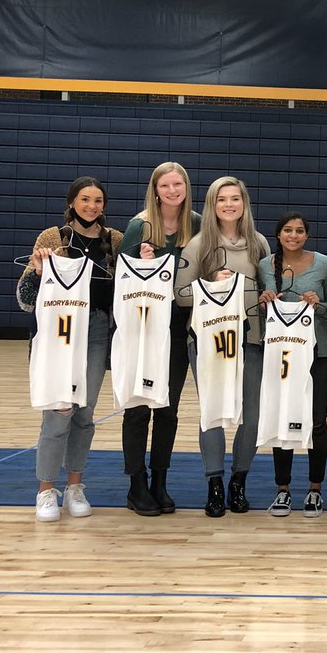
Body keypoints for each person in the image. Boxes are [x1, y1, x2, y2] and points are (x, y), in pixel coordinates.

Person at [16, 176, 122, 522]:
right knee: (58, 411)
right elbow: (25, 299)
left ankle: (75, 486)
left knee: (84, 412)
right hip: (59, 334)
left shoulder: (115, 241)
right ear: (72, 202)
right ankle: (46, 490)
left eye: (98, 200)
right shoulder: (52, 238)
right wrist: (35, 270)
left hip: (96, 330)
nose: (92, 206)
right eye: (85, 199)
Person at [174, 176, 270, 517]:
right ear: (212, 205)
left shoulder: (258, 244)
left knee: (253, 415)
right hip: (208, 341)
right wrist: (210, 284)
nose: (229, 205)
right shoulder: (198, 245)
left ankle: (238, 481)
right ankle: (214, 484)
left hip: (252, 338)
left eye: (235, 199)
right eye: (221, 199)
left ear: (244, 204)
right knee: (211, 413)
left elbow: (267, 291)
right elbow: (181, 296)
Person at [118, 162, 200, 516]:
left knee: (167, 407)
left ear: (186, 187)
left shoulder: (197, 224)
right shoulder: (140, 225)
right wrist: (141, 260)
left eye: (177, 184)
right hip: (145, 321)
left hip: (180, 322)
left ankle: (159, 481)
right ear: (155, 190)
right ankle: (136, 484)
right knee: (138, 407)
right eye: (165, 185)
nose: (172, 190)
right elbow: (124, 277)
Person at [256, 212, 327, 518]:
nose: (293, 235)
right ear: (278, 235)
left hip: (320, 351)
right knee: (283, 414)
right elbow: (258, 307)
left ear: (307, 235)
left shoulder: (324, 263)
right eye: (288, 230)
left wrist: (320, 303)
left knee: (317, 420)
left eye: (300, 231)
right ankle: (283, 490)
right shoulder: (265, 265)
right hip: (280, 351)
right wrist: (264, 299)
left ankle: (315, 489)